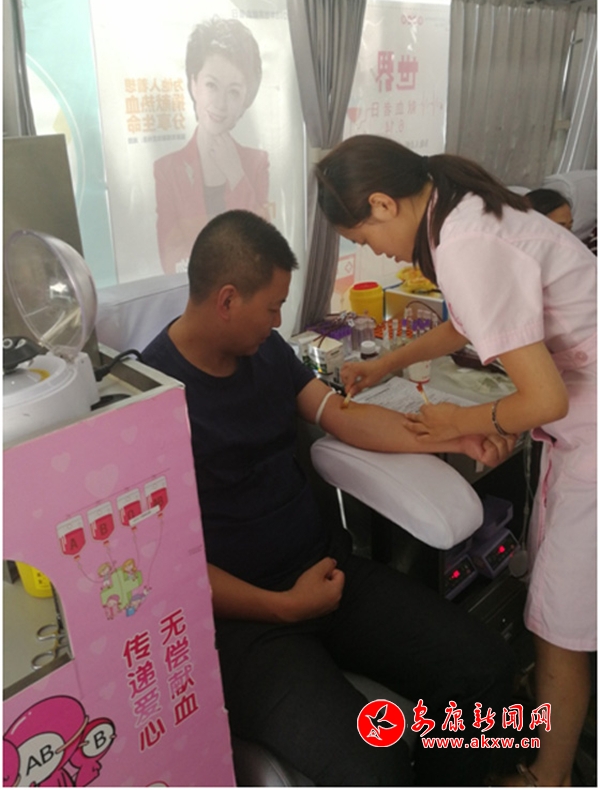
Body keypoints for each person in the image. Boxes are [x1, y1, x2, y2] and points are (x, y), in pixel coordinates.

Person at [142, 209, 519, 787]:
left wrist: (452, 435)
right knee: (372, 765)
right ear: (226, 300)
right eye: (273, 308)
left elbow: (340, 414)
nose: (278, 322)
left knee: (484, 670)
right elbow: (161, 565)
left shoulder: (264, 353)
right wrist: (282, 607)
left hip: (329, 574)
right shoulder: (150, 402)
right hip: (249, 625)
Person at [315, 135, 597, 787]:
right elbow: (470, 323)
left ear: (382, 204)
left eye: (361, 236)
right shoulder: (462, 210)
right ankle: (552, 715)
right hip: (577, 422)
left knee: (559, 623)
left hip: (586, 425)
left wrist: (465, 422)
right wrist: (386, 364)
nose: (373, 251)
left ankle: (545, 777)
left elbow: (543, 397)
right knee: (559, 602)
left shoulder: (464, 241)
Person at [154, 17, 270, 274]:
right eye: (211, 85)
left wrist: (236, 176)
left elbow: (263, 245)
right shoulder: (167, 170)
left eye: (234, 92)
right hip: (193, 293)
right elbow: (170, 257)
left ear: (245, 101)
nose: (220, 104)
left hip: (246, 292)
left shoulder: (256, 163)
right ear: (193, 84)